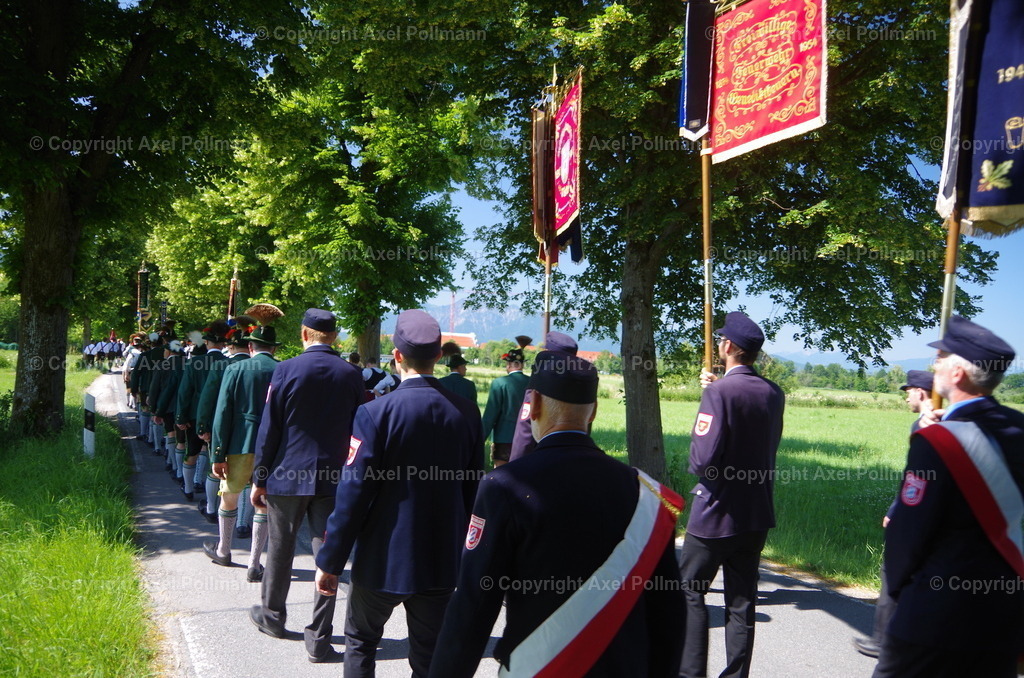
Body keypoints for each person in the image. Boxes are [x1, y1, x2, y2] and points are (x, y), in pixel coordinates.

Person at [428, 350, 685, 677]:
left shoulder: (503, 486)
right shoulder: (645, 494)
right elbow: (669, 615)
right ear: (593, 413)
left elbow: (473, 609)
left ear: (532, 406)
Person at [313, 310, 484, 677]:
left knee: (360, 642)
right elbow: (473, 494)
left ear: (397, 356)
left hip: (382, 557)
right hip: (441, 559)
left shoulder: (375, 413)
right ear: (439, 357)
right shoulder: (467, 413)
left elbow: (352, 495)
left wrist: (330, 560)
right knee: (429, 657)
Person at [873, 316, 1024, 678]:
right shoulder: (1018, 429)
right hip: (1004, 614)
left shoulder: (938, 441)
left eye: (940, 356)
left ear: (957, 373)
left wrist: (896, 596)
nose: (934, 364)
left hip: (934, 617)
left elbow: (906, 535)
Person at [248, 308, 365, 664]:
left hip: (286, 475)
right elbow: (360, 430)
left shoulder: (285, 370)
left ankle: (273, 617)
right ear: (333, 336)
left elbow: (271, 428)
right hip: (332, 479)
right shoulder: (352, 374)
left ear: (303, 334)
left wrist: (260, 476)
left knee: (281, 550)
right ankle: (319, 638)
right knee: (327, 556)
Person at [678, 311, 785, 678]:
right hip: (755, 512)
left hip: (714, 511)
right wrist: (716, 391)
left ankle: (690, 672)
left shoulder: (719, 392)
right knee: (741, 601)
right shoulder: (774, 392)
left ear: (727, 347)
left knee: (689, 591)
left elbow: (702, 460)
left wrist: (709, 399)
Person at [854, 369, 933, 659]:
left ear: (920, 392)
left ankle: (885, 640)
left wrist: (897, 511)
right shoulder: (944, 423)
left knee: (892, 571)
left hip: (917, 515)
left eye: (908, 391)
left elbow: (915, 478)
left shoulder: (923, 426)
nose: (906, 397)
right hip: (928, 515)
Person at [204, 321, 281, 583]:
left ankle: (224, 550)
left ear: (250, 346)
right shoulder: (284, 370)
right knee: (263, 503)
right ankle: (254, 563)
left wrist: (217, 453)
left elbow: (222, 412)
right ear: (273, 347)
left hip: (238, 445)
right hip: (272, 448)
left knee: (229, 497)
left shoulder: (236, 368)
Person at [196, 314, 255, 526]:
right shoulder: (266, 367)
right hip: (255, 433)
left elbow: (208, 399)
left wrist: (203, 426)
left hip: (222, 429)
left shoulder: (222, 366)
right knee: (249, 479)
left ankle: (212, 509)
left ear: (230, 345)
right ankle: (242, 524)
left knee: (220, 473)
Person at [176, 320, 231, 501]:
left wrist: (181, 417)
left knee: (191, 453)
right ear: (224, 343)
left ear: (206, 343)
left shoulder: (195, 362)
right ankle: (211, 503)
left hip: (194, 416)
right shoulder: (229, 363)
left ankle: (189, 490)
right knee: (216, 460)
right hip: (221, 417)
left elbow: (185, 393)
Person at [508, 331, 577, 462]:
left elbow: (525, 432)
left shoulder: (538, 386)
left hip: (540, 460)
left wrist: (515, 467)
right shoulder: (581, 385)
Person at [481, 345, 528, 467]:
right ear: (522, 365)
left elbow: (490, 416)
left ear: (508, 365)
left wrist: (479, 438)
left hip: (504, 439)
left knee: (501, 477)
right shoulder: (533, 383)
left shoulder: (499, 383)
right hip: (527, 439)